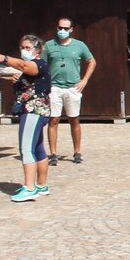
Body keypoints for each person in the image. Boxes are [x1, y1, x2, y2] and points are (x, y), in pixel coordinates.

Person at [0, 35, 51, 202]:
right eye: (22, 47)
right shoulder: (32, 67)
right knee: (38, 147)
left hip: (34, 111)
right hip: (39, 111)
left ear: (37, 50)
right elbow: (27, 76)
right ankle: (41, 185)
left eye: (27, 47)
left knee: (26, 148)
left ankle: (29, 188)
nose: (24, 50)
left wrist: (5, 59)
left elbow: (25, 65)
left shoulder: (38, 64)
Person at [44, 17, 96, 165]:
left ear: (71, 30)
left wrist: (84, 80)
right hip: (54, 87)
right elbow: (41, 64)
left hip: (73, 87)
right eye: (60, 28)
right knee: (53, 119)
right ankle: (53, 153)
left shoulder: (79, 45)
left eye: (66, 29)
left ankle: (77, 151)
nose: (62, 31)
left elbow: (92, 61)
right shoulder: (48, 46)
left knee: (74, 119)